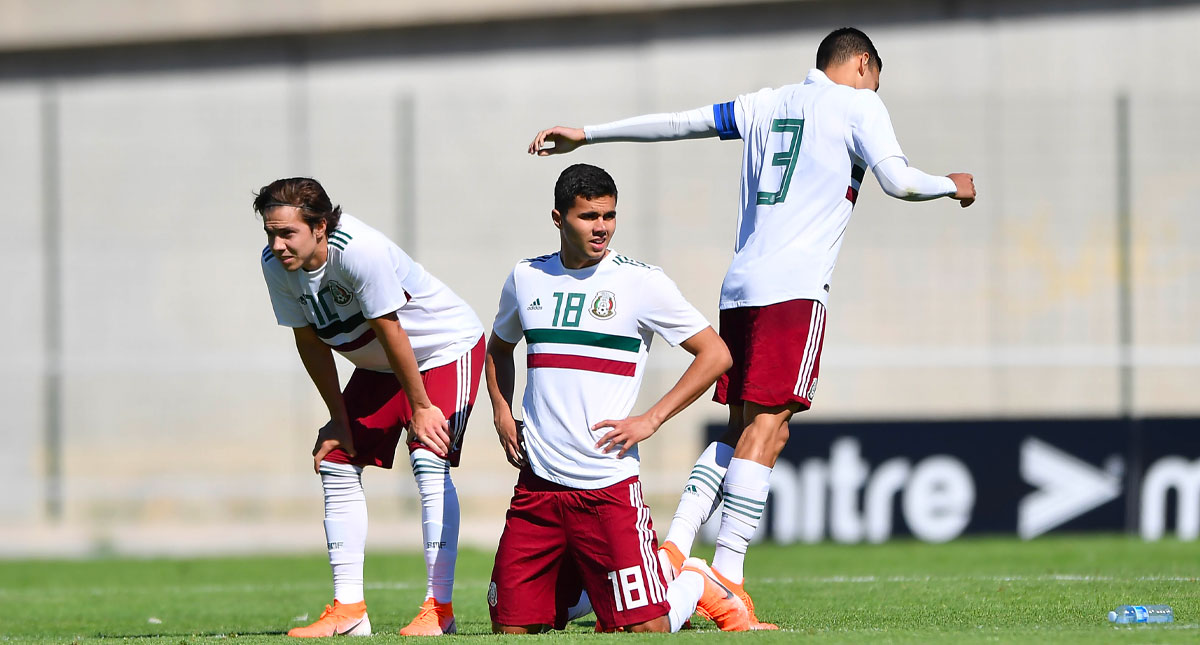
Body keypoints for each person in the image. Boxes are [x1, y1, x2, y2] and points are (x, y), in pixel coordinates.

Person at [527, 27, 977, 629]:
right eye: (877, 74)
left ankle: (676, 546)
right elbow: (899, 180)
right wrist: (953, 185)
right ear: (865, 63)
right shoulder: (861, 104)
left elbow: (681, 123)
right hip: (794, 291)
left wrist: (589, 132)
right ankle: (726, 576)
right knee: (768, 427)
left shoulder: (765, 103)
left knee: (756, 432)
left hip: (740, 288)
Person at [485, 163, 749, 633]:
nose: (602, 227)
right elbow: (499, 348)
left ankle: (691, 579)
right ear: (557, 217)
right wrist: (503, 413)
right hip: (538, 487)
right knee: (511, 629)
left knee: (649, 630)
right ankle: (592, 591)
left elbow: (716, 354)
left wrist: (652, 418)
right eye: (589, 217)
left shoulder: (641, 283)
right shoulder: (526, 278)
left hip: (607, 488)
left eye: (608, 216)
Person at [256, 177, 484, 637]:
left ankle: (439, 609)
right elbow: (310, 343)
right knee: (337, 457)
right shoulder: (276, 265)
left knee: (427, 455)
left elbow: (392, 329)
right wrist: (339, 419)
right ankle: (349, 610)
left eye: (287, 233)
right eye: (270, 233)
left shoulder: (358, 250)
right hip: (383, 364)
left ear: (320, 226)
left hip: (441, 349)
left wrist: (420, 405)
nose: (277, 244)